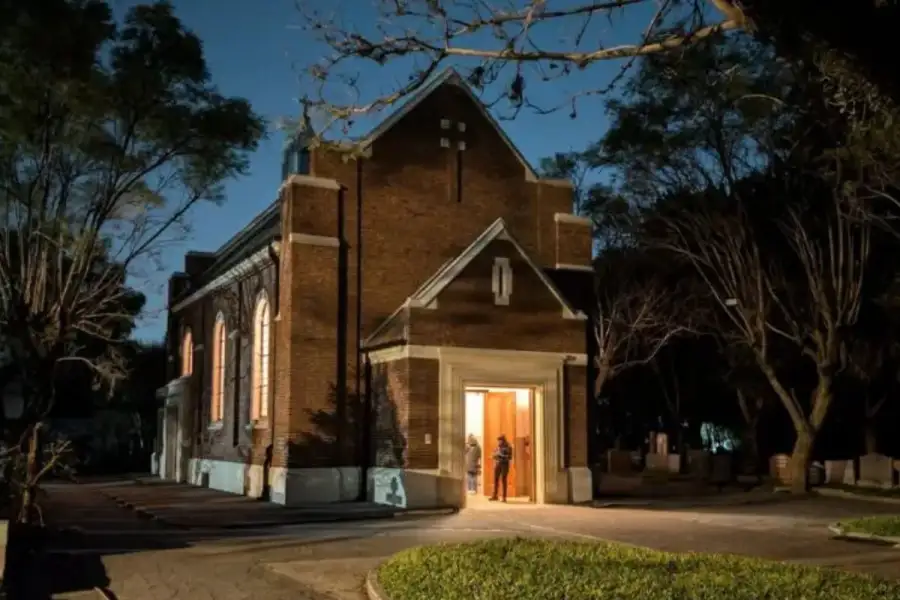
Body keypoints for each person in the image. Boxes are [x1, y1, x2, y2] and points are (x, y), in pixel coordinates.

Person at [489, 434, 513, 502]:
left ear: (503, 440)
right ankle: (495, 496)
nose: (499, 442)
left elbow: (510, 457)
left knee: (503, 480)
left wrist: (501, 455)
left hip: (505, 465)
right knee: (495, 479)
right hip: (498, 464)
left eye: (500, 441)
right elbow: (496, 454)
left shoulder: (508, 446)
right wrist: (494, 456)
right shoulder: (498, 446)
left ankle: (504, 497)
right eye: (498, 441)